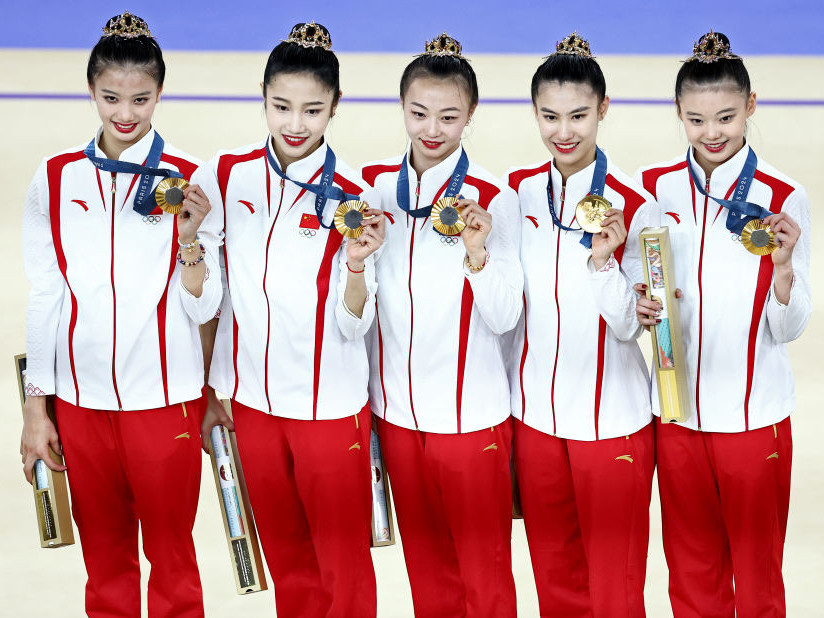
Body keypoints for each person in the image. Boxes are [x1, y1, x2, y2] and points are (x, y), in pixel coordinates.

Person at [19, 12, 221, 617]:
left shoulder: (189, 179)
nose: (125, 113)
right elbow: (47, 295)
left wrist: (189, 238)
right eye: (110, 98)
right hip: (81, 408)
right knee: (103, 563)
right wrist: (37, 405)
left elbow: (207, 304)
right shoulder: (55, 179)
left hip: (167, 403)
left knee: (172, 559)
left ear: (160, 93)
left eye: (140, 98)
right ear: (91, 92)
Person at [196, 22, 384, 618]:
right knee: (288, 566)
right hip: (251, 405)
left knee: (344, 572)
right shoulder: (227, 176)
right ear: (262, 95)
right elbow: (207, 302)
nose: (295, 125)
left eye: (312, 110)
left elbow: (356, 324)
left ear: (335, 107)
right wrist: (215, 389)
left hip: (330, 411)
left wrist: (356, 268)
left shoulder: (357, 194)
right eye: (280, 107)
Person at [635, 31, 810, 618]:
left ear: (751, 107)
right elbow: (643, 282)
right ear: (679, 114)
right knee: (690, 578)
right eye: (697, 119)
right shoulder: (655, 187)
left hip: (753, 417)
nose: (712, 133)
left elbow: (790, 327)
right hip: (677, 411)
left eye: (727, 117)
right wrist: (637, 302)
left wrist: (783, 269)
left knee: (758, 584)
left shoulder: (784, 196)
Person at [361, 32, 522, 617]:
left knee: (484, 585)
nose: (432, 129)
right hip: (398, 420)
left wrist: (477, 255)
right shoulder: (374, 191)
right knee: (428, 584)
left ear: (470, 115)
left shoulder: (493, 199)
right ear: (401, 107)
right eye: (419, 113)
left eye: (449, 116)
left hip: (471, 423)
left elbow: (506, 315)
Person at [505, 32, 658, 617]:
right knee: (555, 585)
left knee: (616, 592)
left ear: (603, 109)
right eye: (549, 117)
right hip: (537, 423)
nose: (562, 132)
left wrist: (601, 262)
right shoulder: (515, 193)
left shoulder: (636, 205)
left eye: (577, 116)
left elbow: (629, 327)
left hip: (612, 424)